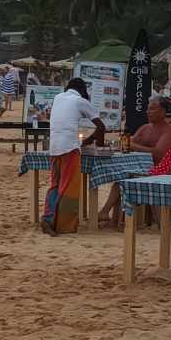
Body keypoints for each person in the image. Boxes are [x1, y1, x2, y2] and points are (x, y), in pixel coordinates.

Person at [41, 79, 106, 234]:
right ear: (83, 90)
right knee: (69, 187)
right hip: (69, 148)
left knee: (55, 184)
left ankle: (48, 218)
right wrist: (92, 142)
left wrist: (83, 141)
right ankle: (63, 225)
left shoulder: (58, 98)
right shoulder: (79, 101)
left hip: (54, 147)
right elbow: (101, 126)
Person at [127, 96, 171, 165]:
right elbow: (127, 145)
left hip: (158, 171)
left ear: (163, 111)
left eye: (152, 109)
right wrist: (130, 144)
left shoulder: (169, 130)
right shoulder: (145, 128)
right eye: (147, 109)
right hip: (140, 167)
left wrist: (132, 146)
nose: (147, 112)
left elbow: (159, 155)